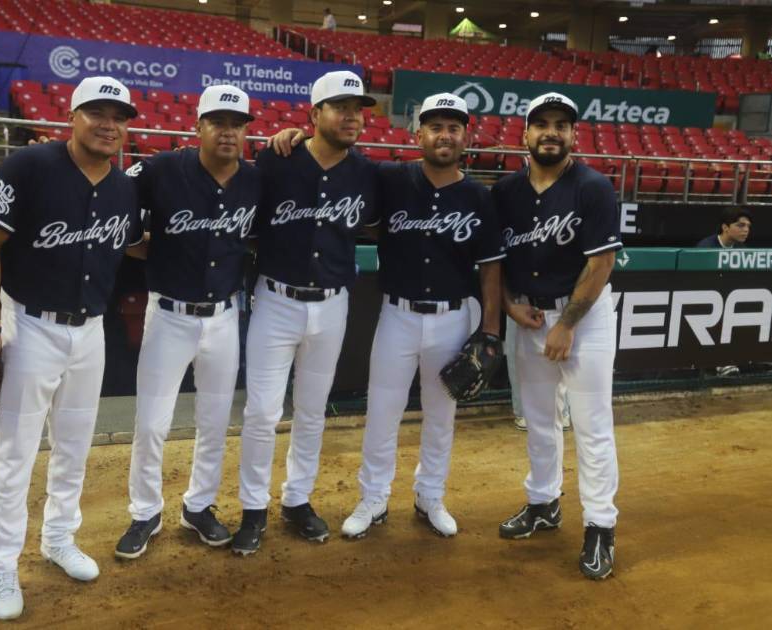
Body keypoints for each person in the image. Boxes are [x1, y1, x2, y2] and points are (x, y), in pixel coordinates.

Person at [0, 76, 143, 620]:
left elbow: (134, 246)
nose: (109, 125)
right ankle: (0, 562)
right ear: (72, 116)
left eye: (118, 116)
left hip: (90, 331)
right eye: (97, 112)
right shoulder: (29, 166)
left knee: (74, 445)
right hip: (30, 325)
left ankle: (59, 537)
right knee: (16, 451)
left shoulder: (124, 188)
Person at [338, 94, 505, 539]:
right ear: (418, 135)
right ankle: (373, 497)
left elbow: (491, 266)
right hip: (398, 314)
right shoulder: (392, 178)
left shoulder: (478, 196)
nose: (444, 135)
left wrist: (490, 329)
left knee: (440, 415)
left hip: (453, 318)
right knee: (382, 410)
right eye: (435, 127)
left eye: (453, 127)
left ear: (465, 137)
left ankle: (430, 495)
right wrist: (296, 136)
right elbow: (340, 161)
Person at [231, 70, 379, 555]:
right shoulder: (276, 160)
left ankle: (297, 500)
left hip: (333, 304)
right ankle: (253, 507)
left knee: (313, 411)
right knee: (261, 411)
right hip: (276, 300)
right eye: (341, 107)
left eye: (358, 109)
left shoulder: (367, 173)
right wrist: (285, 137)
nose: (352, 117)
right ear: (315, 114)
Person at [114, 85, 259, 559]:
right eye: (218, 122)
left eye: (237, 124)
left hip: (224, 317)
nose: (228, 131)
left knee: (214, 422)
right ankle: (145, 512)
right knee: (152, 423)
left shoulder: (255, 180)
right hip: (170, 315)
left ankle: (198, 506)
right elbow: (112, 194)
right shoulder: (161, 169)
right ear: (198, 127)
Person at [491, 92, 622, 580]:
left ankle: (601, 525)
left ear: (572, 134)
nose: (551, 132)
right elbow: (497, 260)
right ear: (525, 133)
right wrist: (509, 304)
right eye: (542, 123)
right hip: (529, 316)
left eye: (561, 125)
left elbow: (601, 263)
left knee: (591, 424)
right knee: (539, 420)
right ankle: (543, 503)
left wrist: (566, 324)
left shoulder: (593, 187)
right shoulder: (505, 191)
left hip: (583, 318)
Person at [697, 207, 752, 376]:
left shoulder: (743, 250)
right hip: (705, 302)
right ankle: (721, 361)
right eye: (740, 225)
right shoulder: (706, 248)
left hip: (731, 298)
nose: (745, 230)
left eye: (748, 226)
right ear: (725, 227)